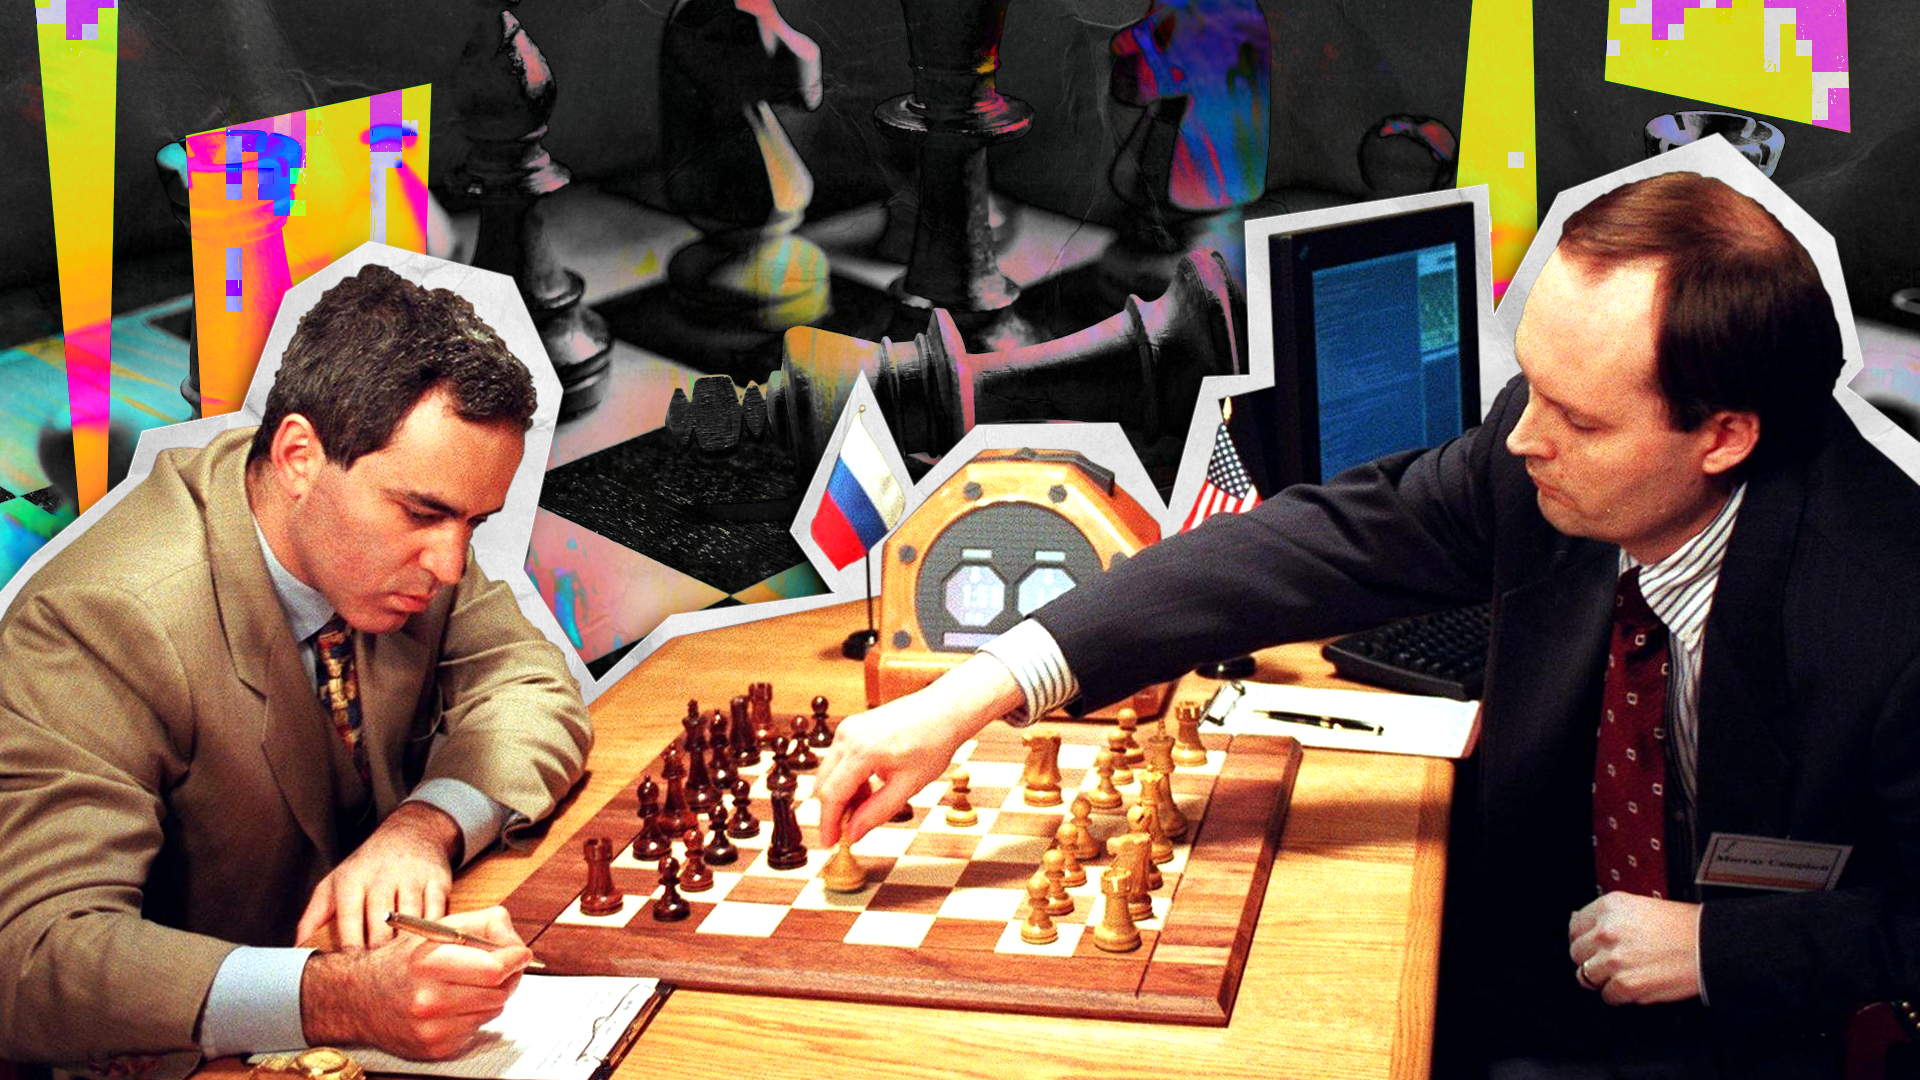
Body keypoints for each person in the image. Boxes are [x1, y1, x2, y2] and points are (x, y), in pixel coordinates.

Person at [814, 170, 1920, 1077]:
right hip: (1524, 972)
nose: (1520, 439)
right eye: (1530, 385)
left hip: (1747, 1032)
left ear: (1723, 436)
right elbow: (1304, 546)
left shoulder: (1891, 611)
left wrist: (1723, 946)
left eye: (1577, 418)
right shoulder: (1540, 456)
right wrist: (971, 695)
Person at [0, 264, 593, 1070]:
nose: (452, 565)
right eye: (423, 513)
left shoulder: (392, 539)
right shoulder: (101, 619)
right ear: (298, 456)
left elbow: (530, 685)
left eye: (473, 524)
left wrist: (423, 826)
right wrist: (334, 999)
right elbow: (34, 955)